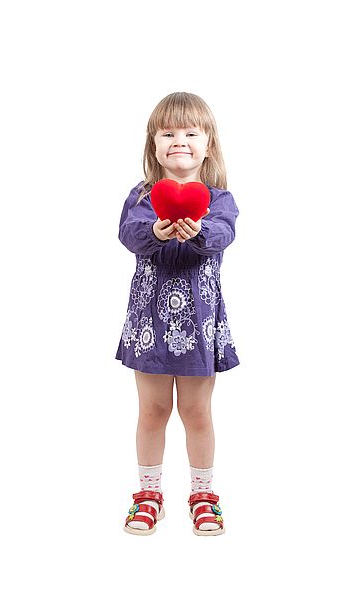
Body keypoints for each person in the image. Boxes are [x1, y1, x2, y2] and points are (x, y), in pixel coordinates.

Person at [115, 92, 240, 536]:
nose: (179, 140)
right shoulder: (143, 196)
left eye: (190, 132)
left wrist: (197, 228)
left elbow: (222, 234)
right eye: (167, 133)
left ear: (208, 144)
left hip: (199, 325)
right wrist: (155, 229)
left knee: (197, 412)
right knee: (152, 410)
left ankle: (203, 494)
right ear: (154, 144)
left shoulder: (220, 200)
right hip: (149, 324)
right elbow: (129, 234)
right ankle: (148, 494)